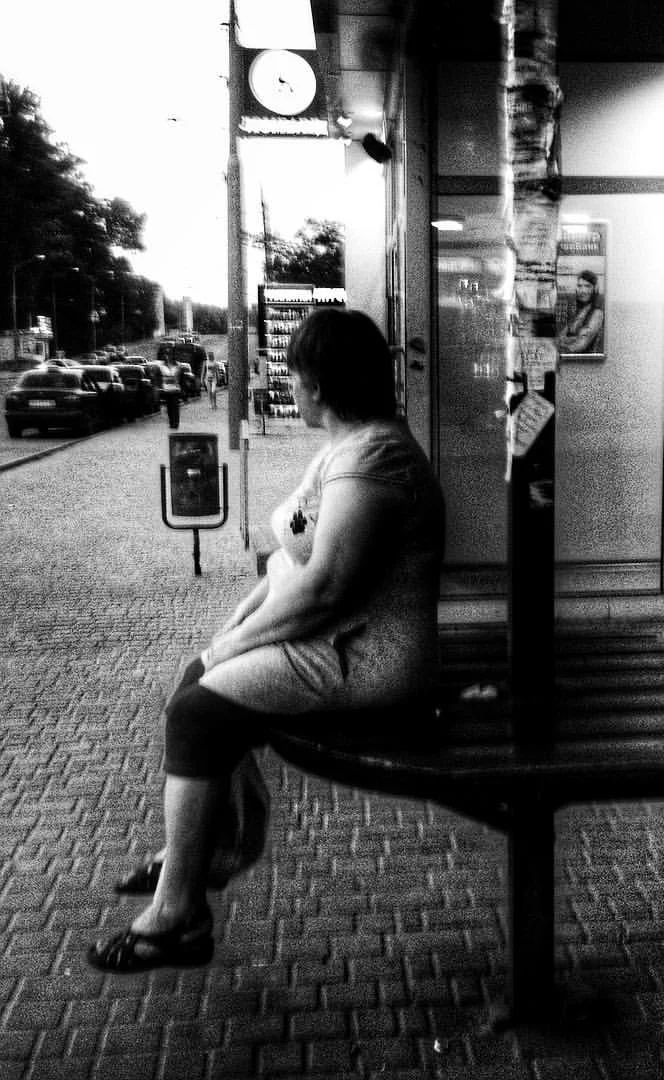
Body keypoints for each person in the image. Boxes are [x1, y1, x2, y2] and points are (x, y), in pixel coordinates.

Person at [88, 308, 446, 972]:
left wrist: (233, 648)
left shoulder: (376, 458)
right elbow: (290, 561)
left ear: (318, 383)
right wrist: (230, 633)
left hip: (365, 658)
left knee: (197, 714)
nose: (290, 386)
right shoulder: (346, 447)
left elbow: (325, 587)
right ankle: (200, 852)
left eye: (294, 375)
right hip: (334, 641)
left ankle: (179, 914)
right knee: (197, 680)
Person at [557, 270, 604, 354]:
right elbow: (561, 337)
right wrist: (573, 339)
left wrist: (563, 344)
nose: (583, 290)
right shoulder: (578, 311)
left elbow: (580, 345)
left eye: (587, 286)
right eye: (579, 286)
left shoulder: (597, 313)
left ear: (595, 289)